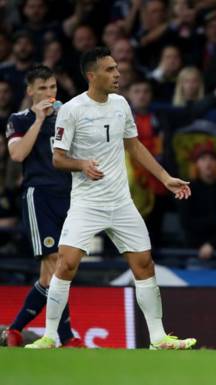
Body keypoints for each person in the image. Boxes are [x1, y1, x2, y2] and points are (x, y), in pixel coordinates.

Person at [25, 47, 195, 350]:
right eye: (110, 69)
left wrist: (165, 177)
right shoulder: (73, 109)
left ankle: (158, 338)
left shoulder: (121, 104)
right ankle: (50, 336)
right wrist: (82, 165)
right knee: (66, 264)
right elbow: (58, 159)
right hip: (87, 203)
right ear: (92, 75)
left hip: (120, 202)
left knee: (144, 263)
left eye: (117, 68)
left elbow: (134, 145)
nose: (117, 74)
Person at [1, 65, 83, 348]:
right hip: (40, 197)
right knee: (55, 264)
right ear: (30, 91)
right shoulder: (19, 119)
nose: (49, 93)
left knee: (56, 272)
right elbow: (18, 153)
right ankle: (67, 337)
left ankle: (14, 329)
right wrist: (38, 120)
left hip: (70, 197)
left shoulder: (66, 118)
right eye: (43, 88)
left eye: (53, 88)